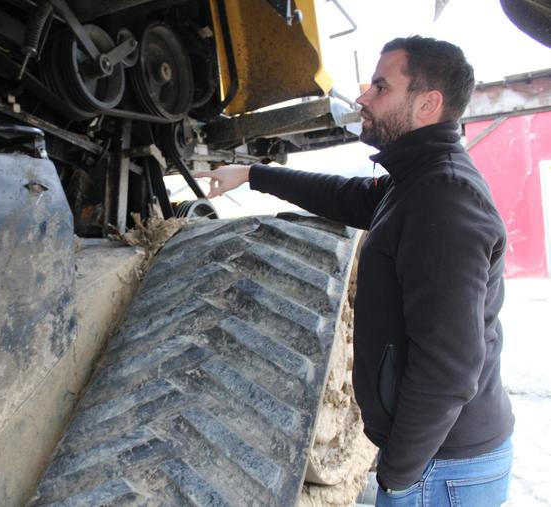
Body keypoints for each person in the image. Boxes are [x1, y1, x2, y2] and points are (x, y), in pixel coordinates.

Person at [196, 36, 514, 506]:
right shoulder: (417, 182)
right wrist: (252, 174)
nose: (363, 97)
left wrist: (398, 475)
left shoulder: (443, 199)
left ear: (427, 104)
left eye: (381, 88)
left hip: (441, 470)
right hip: (435, 462)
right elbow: (350, 196)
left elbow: (451, 366)